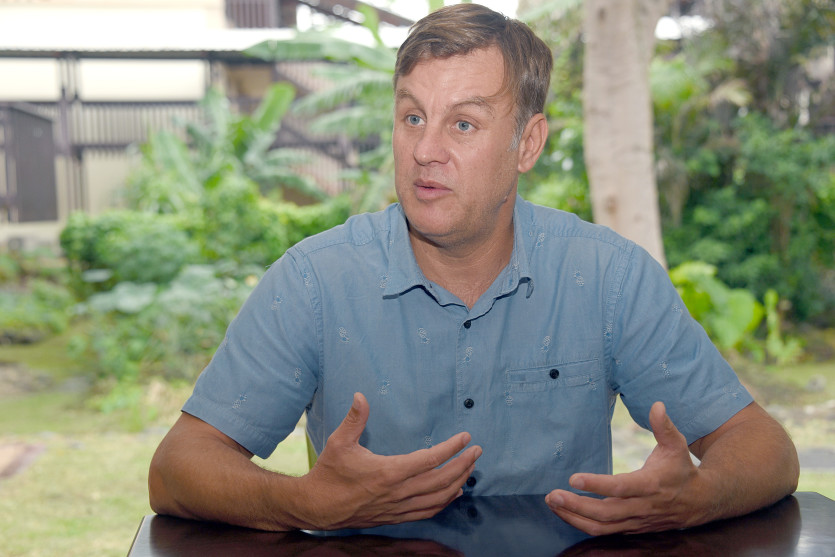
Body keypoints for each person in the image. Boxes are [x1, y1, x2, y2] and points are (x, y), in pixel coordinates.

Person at [148, 3, 799, 536]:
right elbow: (177, 468)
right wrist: (304, 503)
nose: (425, 150)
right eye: (412, 117)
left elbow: (765, 449)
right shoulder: (314, 281)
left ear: (527, 143)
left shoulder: (608, 276)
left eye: (463, 124)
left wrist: (696, 497)